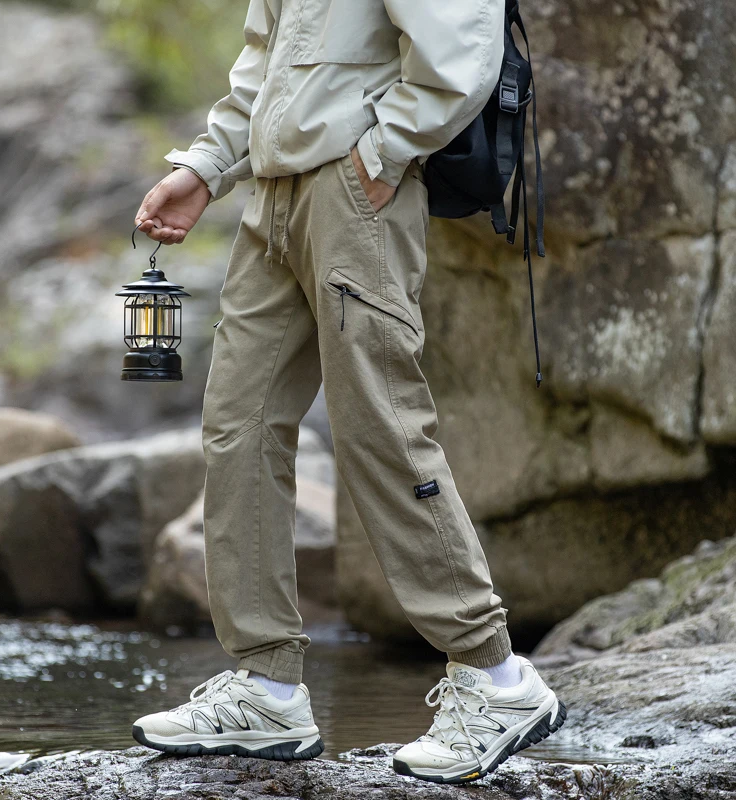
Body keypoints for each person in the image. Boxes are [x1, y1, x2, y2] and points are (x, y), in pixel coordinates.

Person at [131, 0, 566, 785]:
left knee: (381, 426)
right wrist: (204, 166)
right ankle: (267, 686)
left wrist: (383, 151)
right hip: (273, 197)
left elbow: (460, 46)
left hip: (354, 190)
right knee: (238, 424)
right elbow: (264, 66)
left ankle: (495, 675)